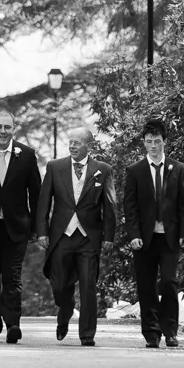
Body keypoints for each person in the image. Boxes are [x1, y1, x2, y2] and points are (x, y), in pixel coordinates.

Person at [37, 127, 116, 346]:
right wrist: (42, 232)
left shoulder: (103, 170)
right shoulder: (55, 167)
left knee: (89, 286)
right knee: (60, 285)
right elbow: (44, 203)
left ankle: (87, 334)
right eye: (70, 142)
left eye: (77, 143)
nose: (72, 146)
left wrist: (109, 236)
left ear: (88, 146)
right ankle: (66, 308)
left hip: (88, 238)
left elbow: (110, 206)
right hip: (62, 236)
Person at [123, 118, 184, 348]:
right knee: (146, 285)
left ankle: (170, 330)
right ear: (143, 142)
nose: (153, 146)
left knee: (170, 282)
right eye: (149, 141)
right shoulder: (134, 171)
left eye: (158, 141)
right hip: (144, 238)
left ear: (165, 142)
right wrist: (133, 234)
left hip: (170, 237)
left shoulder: (178, 168)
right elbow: (129, 207)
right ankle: (151, 333)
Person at [0, 110, 41, 344]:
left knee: (12, 277)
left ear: (14, 128)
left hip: (16, 228)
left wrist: (38, 228)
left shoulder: (27, 155)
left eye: (7, 127)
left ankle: (13, 324)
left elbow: (37, 194)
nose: (3, 131)